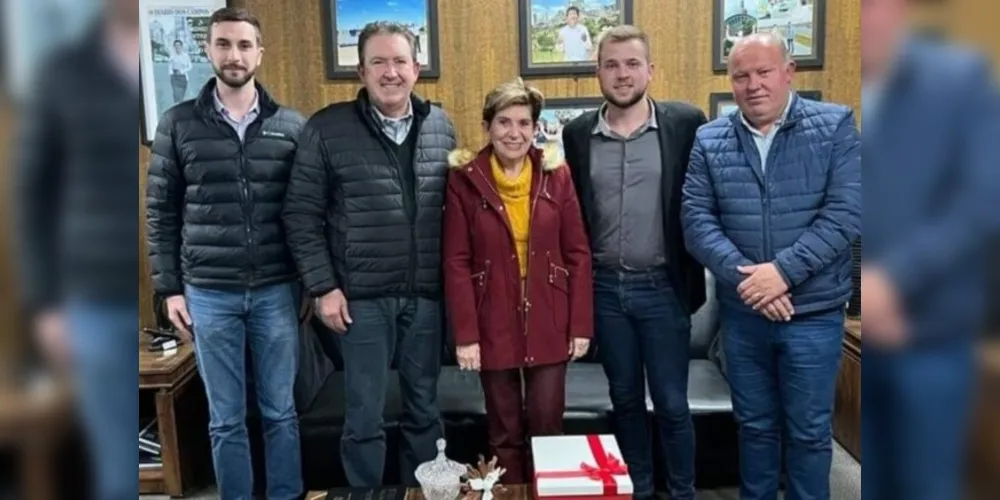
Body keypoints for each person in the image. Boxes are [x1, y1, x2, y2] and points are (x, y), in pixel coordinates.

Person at [681, 32, 861, 500]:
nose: (753, 84)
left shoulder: (836, 125)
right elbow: (696, 221)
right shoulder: (709, 138)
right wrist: (751, 280)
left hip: (814, 316)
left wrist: (781, 274)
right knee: (755, 428)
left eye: (763, 72)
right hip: (744, 316)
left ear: (789, 72)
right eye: (741, 76)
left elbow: (846, 213)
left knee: (808, 433)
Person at [281, 21, 457, 487]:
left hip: (425, 298)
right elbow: (300, 215)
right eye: (378, 61)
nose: (390, 72)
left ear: (417, 68)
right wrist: (323, 287)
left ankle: (423, 494)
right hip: (359, 302)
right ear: (360, 70)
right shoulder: (326, 128)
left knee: (425, 412)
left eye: (400, 61)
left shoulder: (441, 126)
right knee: (363, 419)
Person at [145, 7, 306, 500]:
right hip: (208, 293)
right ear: (208, 50)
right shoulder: (178, 124)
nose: (233, 55)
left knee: (280, 411)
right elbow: (160, 211)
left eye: (243, 45)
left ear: (259, 52)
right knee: (225, 418)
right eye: (223, 44)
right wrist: (169, 288)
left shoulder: (291, 126)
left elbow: (306, 212)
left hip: (277, 289)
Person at [861, 1, 1000, 499]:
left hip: (930, 334)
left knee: (925, 486)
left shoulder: (959, 80)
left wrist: (893, 280)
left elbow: (983, 201)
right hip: (863, 335)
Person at [561, 25, 707, 500]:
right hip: (605, 291)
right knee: (623, 400)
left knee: (671, 403)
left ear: (650, 70)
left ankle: (681, 492)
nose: (621, 75)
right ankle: (636, 490)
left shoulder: (685, 123)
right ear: (596, 70)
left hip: (664, 288)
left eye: (631, 64)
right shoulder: (578, 133)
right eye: (611, 64)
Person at [14, 0, 139, 498]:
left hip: (179, 294)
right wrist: (44, 304)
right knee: (114, 463)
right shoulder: (63, 72)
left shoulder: (190, 73)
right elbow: (31, 193)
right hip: (93, 296)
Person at [441, 78, 593, 484]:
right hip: (492, 319)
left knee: (548, 426)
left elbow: (578, 252)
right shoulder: (465, 179)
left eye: (524, 123)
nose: (515, 133)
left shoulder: (556, 174)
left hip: (550, 315)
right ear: (488, 126)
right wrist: (466, 336)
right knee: (503, 432)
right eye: (504, 122)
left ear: (536, 128)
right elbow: (456, 261)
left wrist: (579, 325)